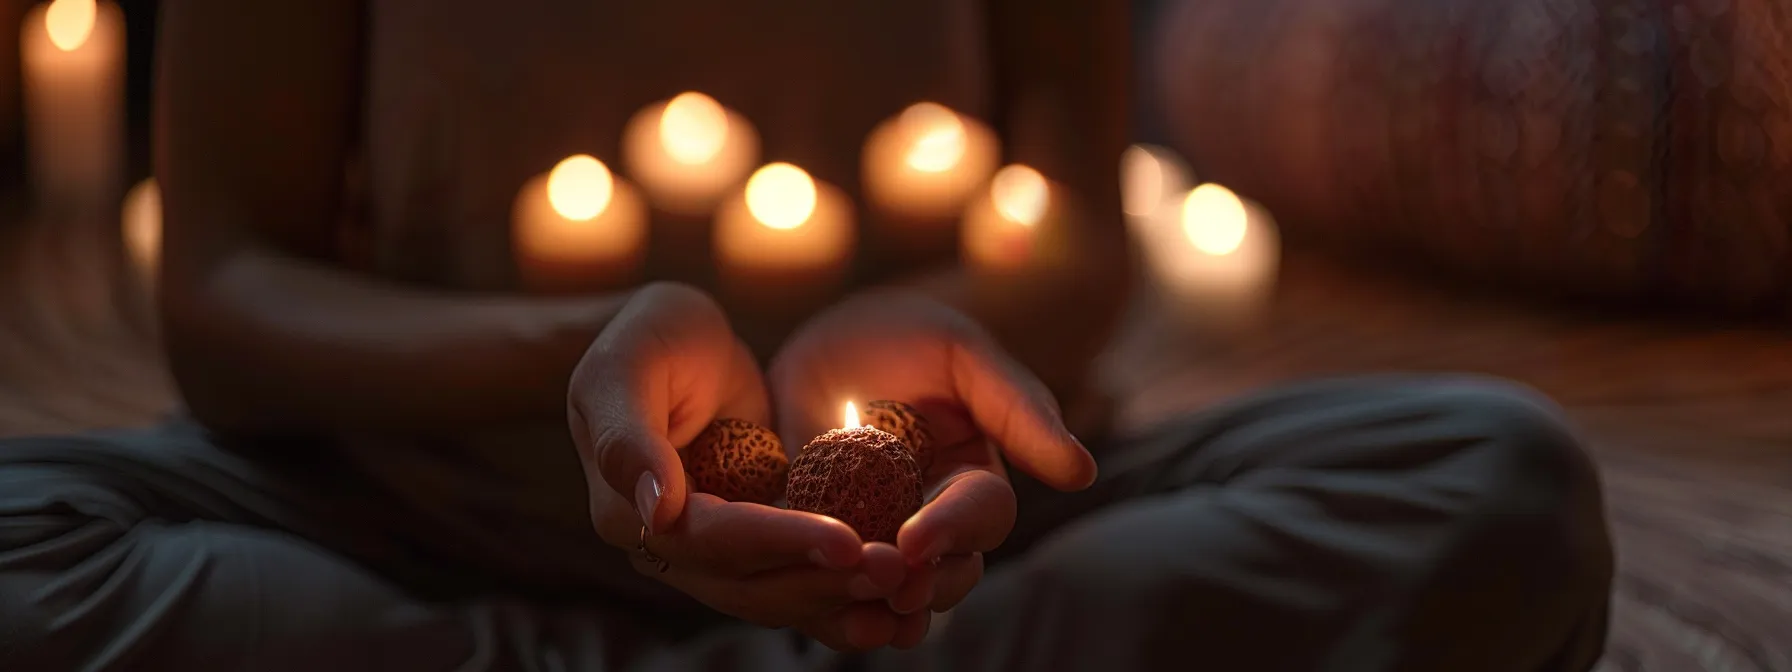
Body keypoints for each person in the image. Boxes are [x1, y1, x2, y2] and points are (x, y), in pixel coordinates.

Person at [0, 1, 1613, 670]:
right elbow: (220, 295)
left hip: (941, 542)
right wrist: (583, 356)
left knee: (1494, 479)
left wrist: (909, 345)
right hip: (424, 521)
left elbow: (1077, 244)